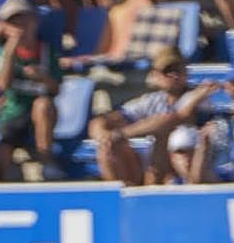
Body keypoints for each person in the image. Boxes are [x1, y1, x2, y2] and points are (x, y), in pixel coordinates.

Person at [89, 45, 217, 186]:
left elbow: (173, 119)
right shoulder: (151, 100)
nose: (173, 75)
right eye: (167, 71)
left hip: (196, 164)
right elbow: (99, 122)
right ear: (155, 75)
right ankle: (123, 195)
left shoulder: (197, 96)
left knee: (163, 135)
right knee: (108, 147)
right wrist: (104, 137)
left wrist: (120, 133)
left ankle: (152, 187)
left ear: (186, 71)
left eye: (178, 70)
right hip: (158, 165)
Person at [0, 0, 63, 181]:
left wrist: (43, 78)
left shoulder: (48, 52)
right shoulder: (1, 55)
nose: (20, 27)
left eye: (24, 21)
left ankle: (47, 162)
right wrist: (9, 53)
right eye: (14, 23)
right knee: (2, 151)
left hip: (41, 113)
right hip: (14, 112)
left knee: (42, 105)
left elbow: (56, 88)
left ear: (35, 22)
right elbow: (2, 85)